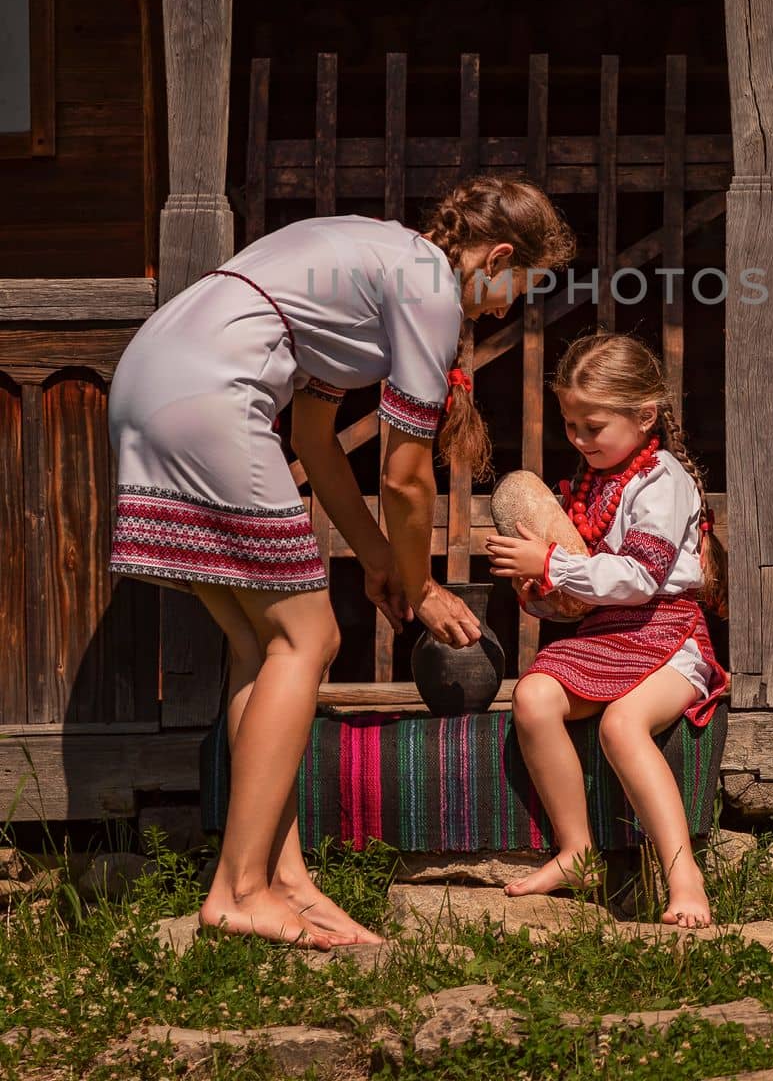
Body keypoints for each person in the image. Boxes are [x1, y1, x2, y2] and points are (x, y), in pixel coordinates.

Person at [108, 176, 575, 947]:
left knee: (263, 649)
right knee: (311, 639)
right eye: (518, 286)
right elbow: (403, 472)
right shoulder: (428, 285)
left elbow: (314, 442)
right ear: (496, 256)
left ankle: (284, 879)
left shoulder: (375, 253)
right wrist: (420, 585)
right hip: (210, 399)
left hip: (153, 379)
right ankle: (237, 889)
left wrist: (377, 562)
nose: (503, 309)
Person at [485, 331, 729, 928]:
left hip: (671, 636)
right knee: (534, 696)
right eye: (571, 425)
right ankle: (576, 850)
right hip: (607, 634)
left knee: (623, 724)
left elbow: (642, 576)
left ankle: (683, 875)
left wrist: (551, 564)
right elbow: (590, 576)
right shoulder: (597, 480)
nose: (578, 439)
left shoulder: (662, 479)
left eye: (592, 426)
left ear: (645, 415)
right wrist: (544, 587)